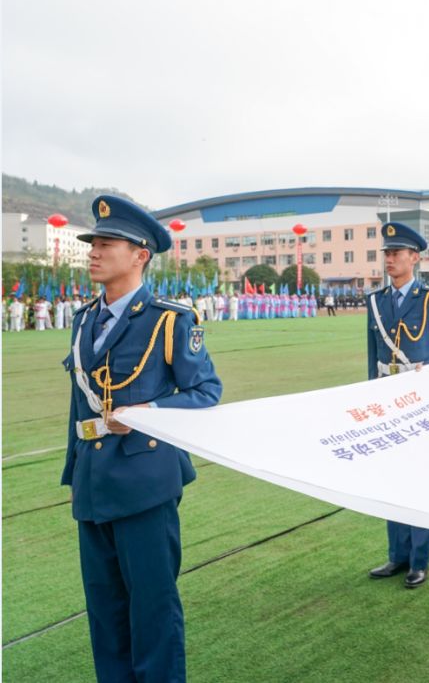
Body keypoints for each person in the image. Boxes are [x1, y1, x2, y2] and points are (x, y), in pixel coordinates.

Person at [62, 195, 222, 682]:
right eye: (93, 242)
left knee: (151, 610)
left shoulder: (170, 320)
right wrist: (75, 473)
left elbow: (206, 391)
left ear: (140, 255)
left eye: (107, 243)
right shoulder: (84, 319)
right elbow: (80, 405)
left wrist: (149, 412)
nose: (94, 251)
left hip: (145, 483)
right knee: (105, 613)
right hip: (94, 485)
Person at [366, 222, 429, 588]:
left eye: (396, 253)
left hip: (420, 401)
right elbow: (372, 355)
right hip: (387, 401)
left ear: (414, 258)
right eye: (386, 254)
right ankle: (397, 555)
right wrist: (369, 398)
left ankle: (419, 560)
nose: (390, 259)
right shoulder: (375, 301)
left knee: (421, 478)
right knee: (393, 478)